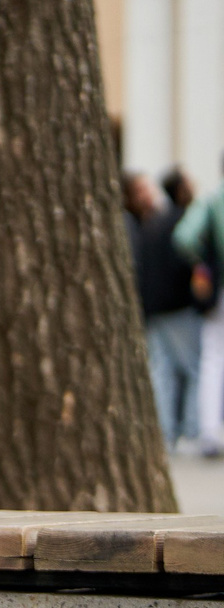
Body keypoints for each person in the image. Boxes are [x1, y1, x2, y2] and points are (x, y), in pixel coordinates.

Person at [128, 170, 202, 449]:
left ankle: (165, 433)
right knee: (192, 369)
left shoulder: (152, 223)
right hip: (177, 307)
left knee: (163, 370)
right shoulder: (181, 221)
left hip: (155, 307)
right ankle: (192, 431)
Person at [171, 161, 224, 457]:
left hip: (219, 291)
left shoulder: (213, 200)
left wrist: (204, 262)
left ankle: (209, 431)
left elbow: (185, 237)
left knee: (213, 357)